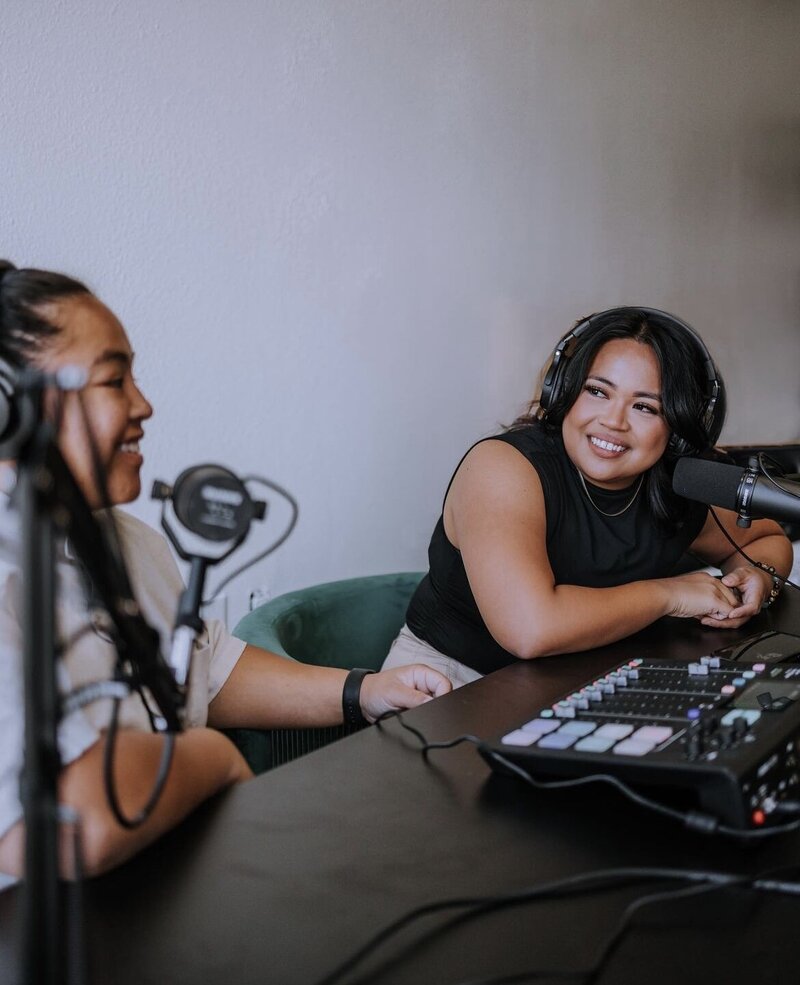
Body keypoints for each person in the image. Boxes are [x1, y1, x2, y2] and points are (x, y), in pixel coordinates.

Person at [0, 261, 451, 883]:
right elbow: (70, 829)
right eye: (113, 380)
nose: (144, 404)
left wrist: (365, 691)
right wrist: (210, 757)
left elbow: (204, 672)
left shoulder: (128, 542)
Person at [382, 306, 793, 687]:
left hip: (580, 681)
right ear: (564, 391)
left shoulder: (674, 486)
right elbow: (530, 629)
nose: (613, 421)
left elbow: (766, 540)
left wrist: (759, 578)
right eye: (598, 391)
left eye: (646, 407)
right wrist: (669, 594)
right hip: (451, 682)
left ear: (678, 429)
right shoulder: (503, 469)